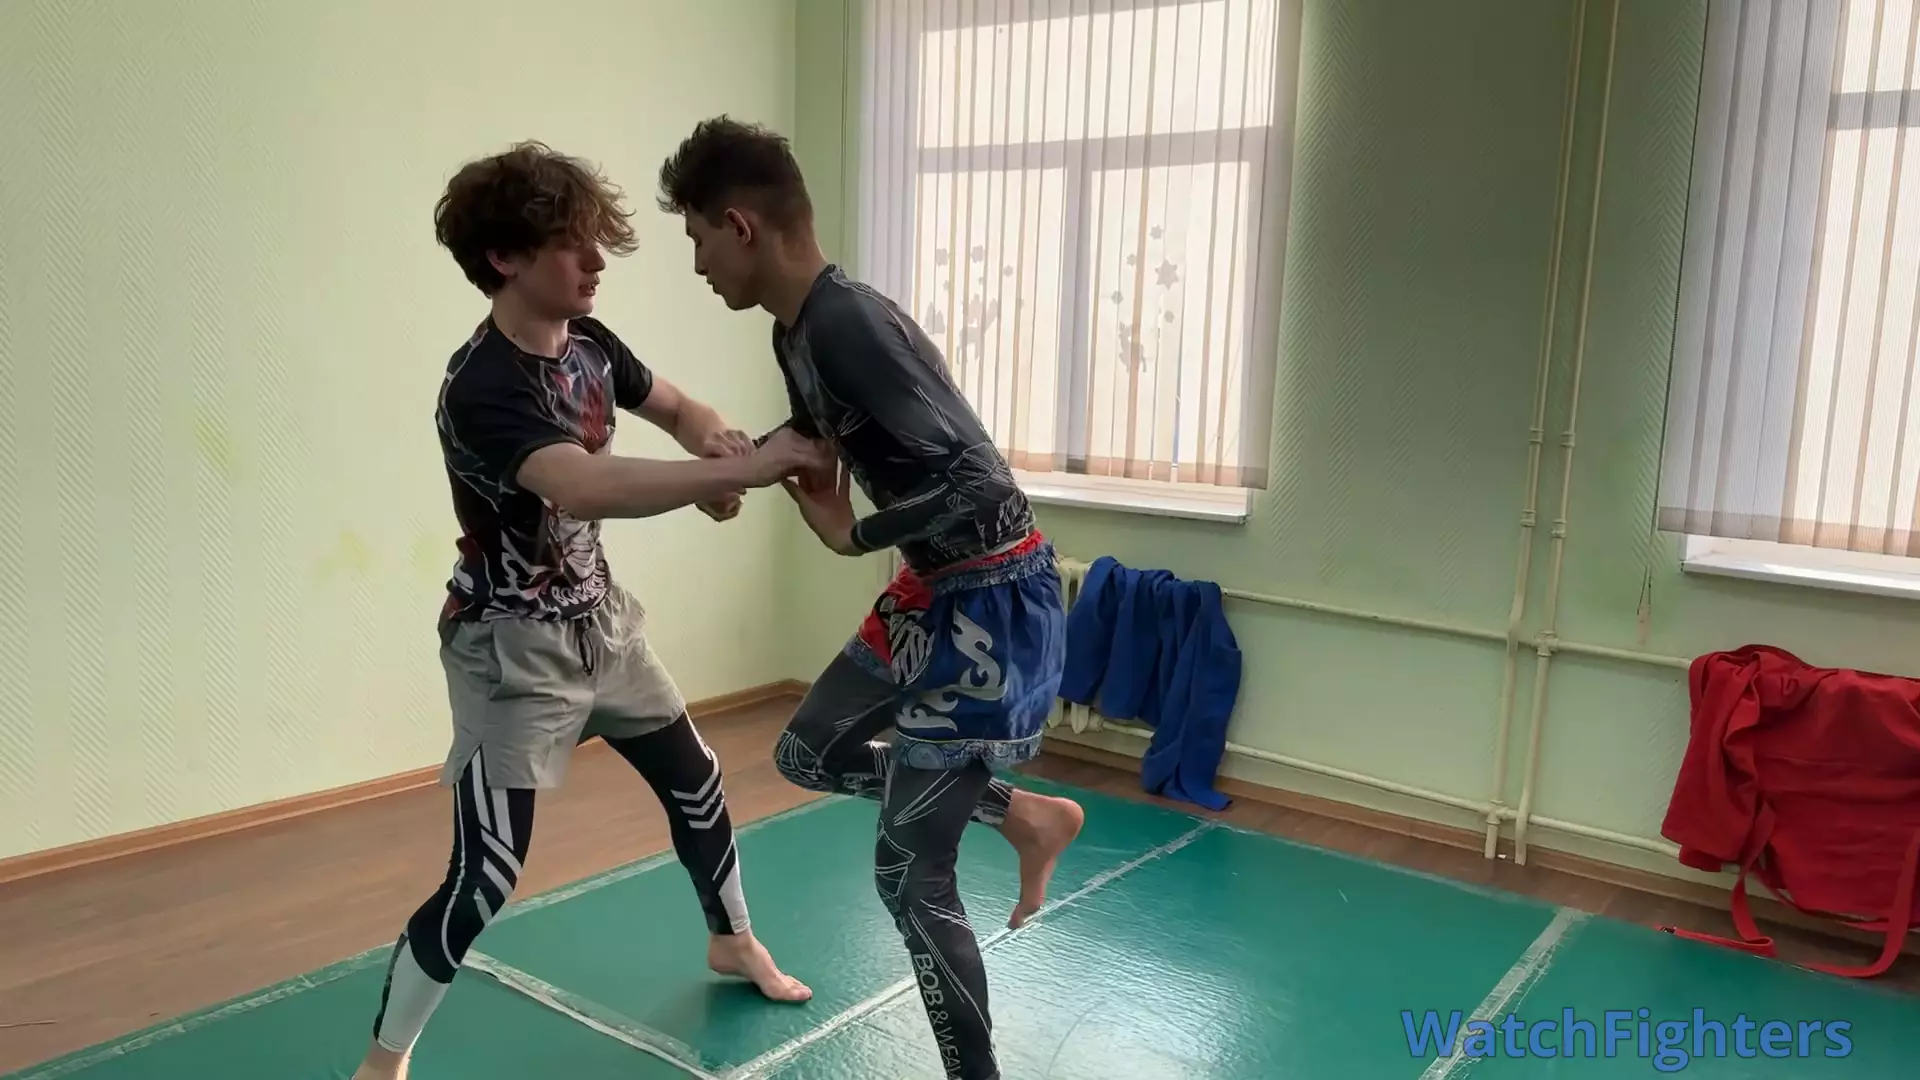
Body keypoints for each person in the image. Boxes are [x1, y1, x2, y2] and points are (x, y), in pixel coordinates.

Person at [351, 141, 822, 1080]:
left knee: (697, 780)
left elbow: (677, 407)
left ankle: (731, 939)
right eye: (573, 244)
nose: (597, 261)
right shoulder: (481, 387)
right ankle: (382, 1063)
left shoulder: (592, 346)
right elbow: (583, 484)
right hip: (511, 650)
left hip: (603, 625)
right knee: (486, 877)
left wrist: (714, 443)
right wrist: (745, 469)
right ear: (505, 259)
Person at [656, 117, 1087, 1080]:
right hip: (934, 586)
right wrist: (742, 463)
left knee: (909, 875)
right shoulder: (794, 332)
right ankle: (1023, 814)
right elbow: (821, 446)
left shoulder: (847, 321)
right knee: (808, 750)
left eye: (697, 239)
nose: (698, 265)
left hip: (994, 598)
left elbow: (981, 484)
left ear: (740, 226)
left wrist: (855, 536)